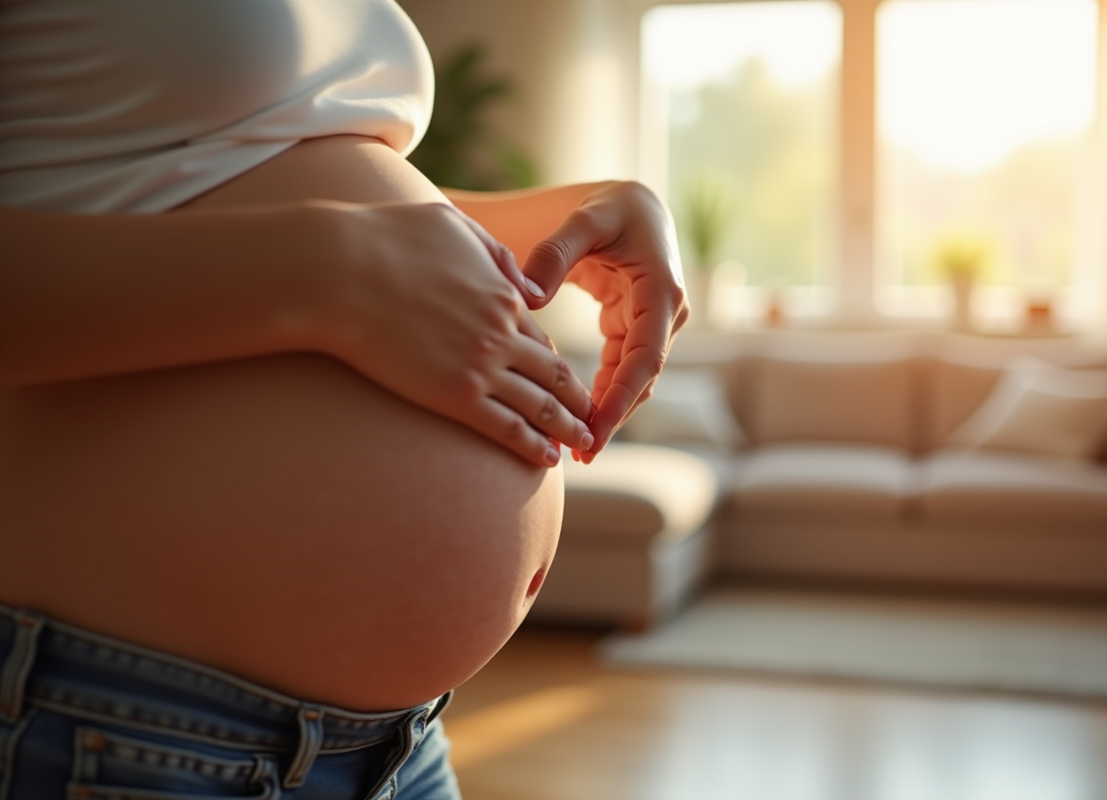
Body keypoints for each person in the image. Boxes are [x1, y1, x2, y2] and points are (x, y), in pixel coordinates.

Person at [0, 2, 687, 799]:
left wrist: (555, 221)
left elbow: (198, 175)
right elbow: (316, 234)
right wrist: (330, 267)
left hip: (401, 748)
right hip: (120, 724)